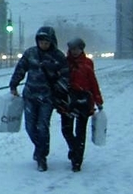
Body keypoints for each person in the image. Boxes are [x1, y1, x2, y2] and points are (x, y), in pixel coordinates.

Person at [9, 26, 69, 172]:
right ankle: (41, 147)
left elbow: (65, 76)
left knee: (42, 126)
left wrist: (58, 91)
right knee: (30, 127)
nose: (43, 44)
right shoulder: (31, 53)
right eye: (41, 41)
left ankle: (42, 156)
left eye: (46, 41)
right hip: (30, 96)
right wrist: (13, 84)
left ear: (52, 41)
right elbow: (21, 69)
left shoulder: (58, 56)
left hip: (47, 98)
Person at [59, 38, 104, 172]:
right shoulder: (64, 63)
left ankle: (77, 160)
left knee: (80, 132)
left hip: (83, 100)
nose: (74, 51)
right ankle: (74, 149)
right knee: (66, 129)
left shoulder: (87, 63)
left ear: (82, 49)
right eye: (72, 49)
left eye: (77, 49)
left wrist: (98, 99)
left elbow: (93, 82)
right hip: (67, 100)